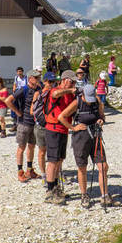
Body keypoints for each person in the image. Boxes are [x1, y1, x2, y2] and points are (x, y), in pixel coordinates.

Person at [59, 84, 120, 209]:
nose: (90, 101)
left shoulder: (97, 101)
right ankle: (84, 195)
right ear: (83, 95)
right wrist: (73, 127)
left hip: (96, 135)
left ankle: (105, 196)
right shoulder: (77, 103)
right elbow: (61, 117)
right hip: (81, 137)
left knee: (103, 166)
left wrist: (101, 120)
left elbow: (102, 116)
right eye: (88, 98)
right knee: (82, 167)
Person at [42, 69, 77, 204]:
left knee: (59, 160)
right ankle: (50, 192)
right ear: (64, 80)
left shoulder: (70, 94)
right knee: (52, 161)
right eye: (71, 80)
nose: (73, 83)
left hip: (63, 129)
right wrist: (69, 90)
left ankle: (55, 187)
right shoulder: (55, 91)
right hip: (53, 129)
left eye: (74, 81)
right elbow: (56, 94)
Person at [5, 69, 42, 183]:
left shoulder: (38, 89)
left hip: (34, 123)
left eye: (39, 77)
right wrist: (17, 112)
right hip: (23, 123)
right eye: (36, 78)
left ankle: (29, 170)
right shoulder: (24, 89)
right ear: (30, 78)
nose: (38, 79)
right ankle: (20, 171)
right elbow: (8, 100)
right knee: (21, 147)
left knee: (31, 146)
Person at [33, 71, 57, 184]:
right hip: (42, 126)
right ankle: (43, 175)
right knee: (42, 151)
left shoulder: (55, 93)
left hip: (53, 126)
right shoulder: (38, 94)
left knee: (54, 152)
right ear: (44, 81)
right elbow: (32, 110)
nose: (51, 84)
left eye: (53, 82)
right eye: (50, 82)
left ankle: (55, 175)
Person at [11, 67, 27, 135]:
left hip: (23, 93)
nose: (19, 73)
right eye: (18, 71)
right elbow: (14, 85)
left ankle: (22, 123)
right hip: (18, 92)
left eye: (20, 71)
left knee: (22, 108)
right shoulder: (16, 78)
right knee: (15, 107)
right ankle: (15, 123)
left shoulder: (26, 77)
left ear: (22, 72)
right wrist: (14, 90)